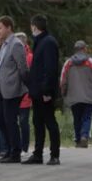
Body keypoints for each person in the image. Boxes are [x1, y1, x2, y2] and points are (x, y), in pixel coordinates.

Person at [26, 15, 62, 164]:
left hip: (44, 91)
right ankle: (38, 153)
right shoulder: (40, 42)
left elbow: (50, 68)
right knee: (37, 122)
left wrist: (47, 91)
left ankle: (54, 155)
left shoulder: (48, 43)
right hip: (37, 90)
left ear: (34, 26)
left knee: (49, 121)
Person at [0, 17, 29, 162]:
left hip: (13, 89)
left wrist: (25, 87)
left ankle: (15, 152)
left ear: (9, 28)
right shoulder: (4, 45)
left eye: (0, 28)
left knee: (10, 120)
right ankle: (8, 149)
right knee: (1, 119)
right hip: (2, 88)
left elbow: (23, 68)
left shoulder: (16, 44)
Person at [63, 39, 92, 147]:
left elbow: (63, 80)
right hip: (89, 95)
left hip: (73, 96)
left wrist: (65, 93)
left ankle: (77, 139)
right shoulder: (91, 62)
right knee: (86, 117)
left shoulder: (68, 63)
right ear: (84, 49)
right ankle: (84, 136)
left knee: (76, 118)